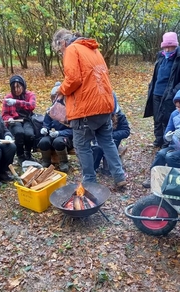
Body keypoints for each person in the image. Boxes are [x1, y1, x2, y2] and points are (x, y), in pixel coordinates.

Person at [52, 28, 127, 188]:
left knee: (81, 146)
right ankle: (119, 176)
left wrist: (61, 90)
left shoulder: (72, 49)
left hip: (86, 109)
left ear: (63, 42)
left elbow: (73, 80)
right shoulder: (93, 49)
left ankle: (89, 182)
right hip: (105, 105)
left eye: (60, 51)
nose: (61, 54)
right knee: (107, 142)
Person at [143, 32, 180, 148]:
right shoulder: (161, 57)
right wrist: (151, 87)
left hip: (170, 95)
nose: (168, 49)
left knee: (167, 119)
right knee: (157, 118)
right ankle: (158, 140)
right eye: (165, 46)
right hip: (156, 93)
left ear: (175, 46)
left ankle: (167, 143)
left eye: (170, 46)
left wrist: (174, 92)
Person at [91, 92, 130, 174]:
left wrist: (111, 135)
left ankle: (110, 169)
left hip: (113, 140)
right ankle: (93, 168)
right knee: (96, 149)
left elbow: (126, 131)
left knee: (108, 152)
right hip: (98, 140)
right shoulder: (98, 115)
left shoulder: (119, 115)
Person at [38, 82, 73, 172]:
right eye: (53, 97)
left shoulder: (69, 110)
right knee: (43, 142)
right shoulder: (51, 110)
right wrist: (45, 128)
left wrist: (59, 133)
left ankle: (63, 162)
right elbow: (46, 123)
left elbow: (73, 130)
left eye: (57, 96)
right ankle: (46, 160)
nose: (55, 99)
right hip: (52, 134)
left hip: (65, 137)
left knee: (59, 142)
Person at [1, 75, 36, 164]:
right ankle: (20, 155)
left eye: (18, 87)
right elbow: (4, 114)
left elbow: (32, 105)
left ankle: (28, 153)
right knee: (19, 133)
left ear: (23, 86)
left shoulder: (30, 95)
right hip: (15, 121)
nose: (16, 90)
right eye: (14, 87)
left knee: (29, 134)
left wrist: (16, 102)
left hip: (27, 120)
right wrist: (9, 119)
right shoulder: (8, 97)